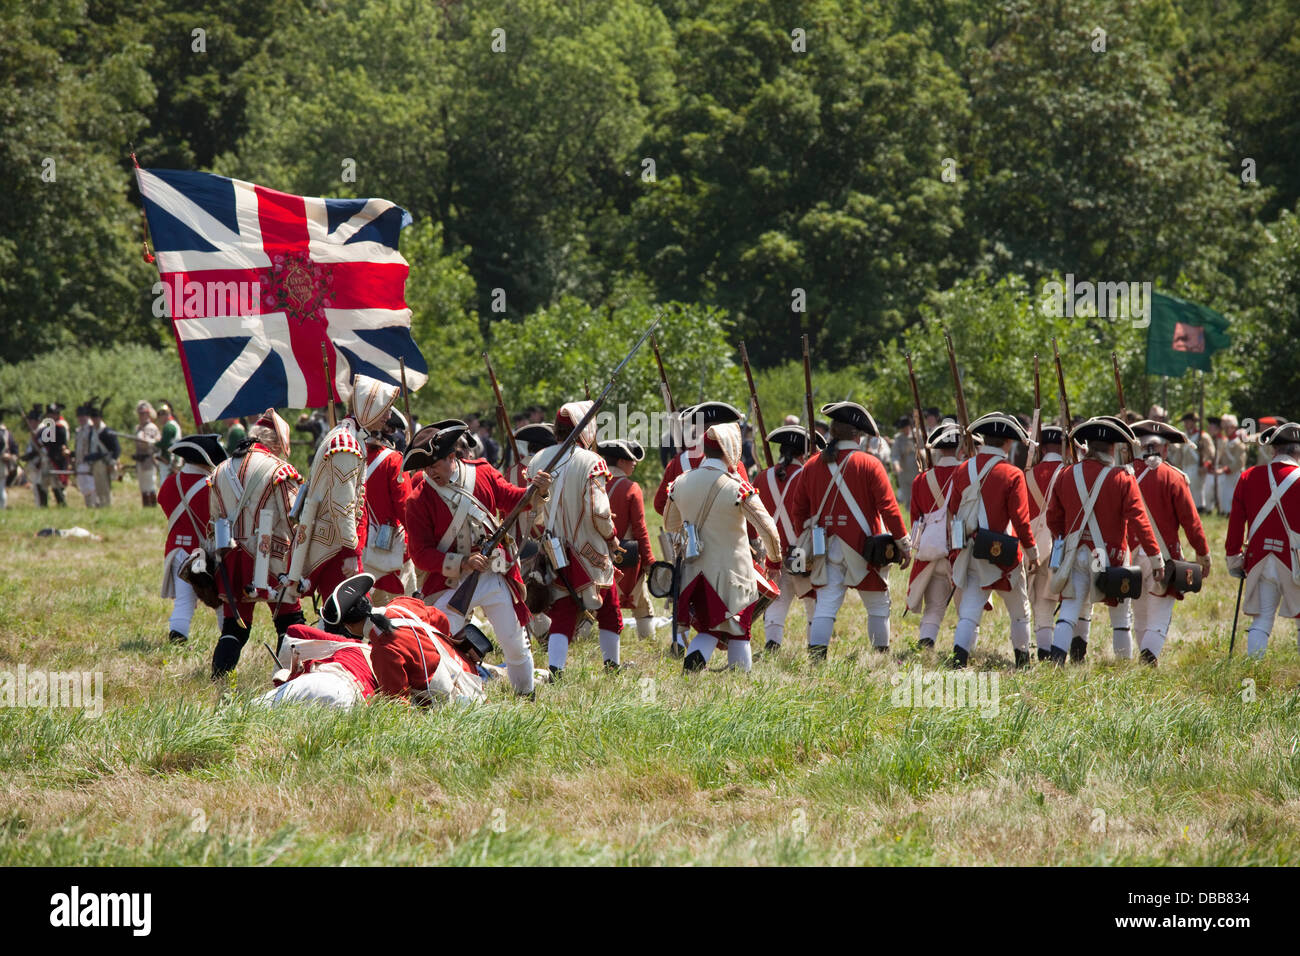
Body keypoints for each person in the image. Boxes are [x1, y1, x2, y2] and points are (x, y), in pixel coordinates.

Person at [405, 421, 549, 696]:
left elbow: (514, 499)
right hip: (451, 585)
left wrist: (538, 489)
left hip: (494, 575)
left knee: (515, 644)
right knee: (436, 645)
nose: (430, 473)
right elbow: (420, 554)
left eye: (434, 464)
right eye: (426, 467)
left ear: (451, 457)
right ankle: (436, 696)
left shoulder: (481, 473)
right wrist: (462, 563)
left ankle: (526, 696)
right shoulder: (418, 499)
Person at [786, 402, 911, 660]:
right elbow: (889, 508)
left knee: (826, 606)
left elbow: (798, 511)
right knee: (877, 604)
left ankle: (816, 660)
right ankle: (880, 658)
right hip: (864, 548)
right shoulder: (870, 463)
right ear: (858, 435)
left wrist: (809, 542)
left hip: (826, 547)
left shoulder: (811, 465)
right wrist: (903, 544)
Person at [664, 421, 781, 672]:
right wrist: (774, 561)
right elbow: (768, 529)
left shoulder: (680, 482)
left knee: (710, 627)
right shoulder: (737, 486)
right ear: (732, 450)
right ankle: (739, 686)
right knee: (739, 630)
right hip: (733, 573)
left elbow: (669, 523)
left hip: (694, 572)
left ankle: (691, 671)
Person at [1045, 417, 1160, 664]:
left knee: (1068, 611)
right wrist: (1156, 558)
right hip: (1111, 557)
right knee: (1120, 618)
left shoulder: (1066, 474)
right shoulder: (1122, 478)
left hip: (1076, 554)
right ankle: (1122, 670)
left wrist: (1065, 540)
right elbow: (1139, 521)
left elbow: (1053, 518)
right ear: (1112, 448)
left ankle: (1055, 663)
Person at [526, 401, 623, 676]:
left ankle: (556, 669)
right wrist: (612, 538)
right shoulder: (592, 462)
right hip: (590, 549)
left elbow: (533, 510)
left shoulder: (538, 459)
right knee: (609, 606)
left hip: (554, 547)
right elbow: (600, 512)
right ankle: (611, 666)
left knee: (563, 610)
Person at [286, 375, 399, 607]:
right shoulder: (347, 445)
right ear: (369, 408)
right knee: (355, 614)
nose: (388, 416)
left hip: (336, 542)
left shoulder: (348, 436)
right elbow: (343, 505)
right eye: (384, 410)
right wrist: (351, 552)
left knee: (341, 618)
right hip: (336, 547)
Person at [208, 408, 305, 679]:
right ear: (276, 444)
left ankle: (219, 680)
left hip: (231, 557)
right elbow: (292, 517)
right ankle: (287, 679)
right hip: (272, 557)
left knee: (234, 627)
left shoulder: (220, 471)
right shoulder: (280, 469)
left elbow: (214, 519)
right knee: (289, 621)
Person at [945, 413, 1037, 668]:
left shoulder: (963, 469)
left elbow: (953, 509)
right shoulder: (1012, 474)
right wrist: (1032, 551)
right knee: (1020, 612)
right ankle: (1022, 663)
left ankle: (958, 660)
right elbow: (1020, 520)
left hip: (972, 549)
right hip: (1004, 553)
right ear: (1008, 443)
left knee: (970, 610)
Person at [1128, 421, 1211, 665]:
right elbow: (1191, 522)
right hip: (1163, 555)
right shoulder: (1174, 477)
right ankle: (1148, 662)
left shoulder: (1123, 473)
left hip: (1131, 553)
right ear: (1164, 450)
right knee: (1159, 612)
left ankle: (1144, 664)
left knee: (1140, 612)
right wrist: (1203, 554)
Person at [1225, 422, 1300, 658]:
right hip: (1294, 560)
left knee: (1261, 620)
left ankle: (1254, 674)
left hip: (1259, 559)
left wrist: (1233, 559)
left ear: (1273, 449)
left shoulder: (1249, 476)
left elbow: (1235, 523)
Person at [754, 425, 821, 653]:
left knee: (776, 600)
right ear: (803, 453)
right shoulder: (809, 477)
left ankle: (772, 644)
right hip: (802, 550)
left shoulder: (763, 477)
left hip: (773, 551)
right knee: (813, 600)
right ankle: (815, 648)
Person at [158, 435, 226, 645]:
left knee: (183, 600)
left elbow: (163, 502)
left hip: (177, 549)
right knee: (222, 600)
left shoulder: (170, 482)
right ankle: (229, 640)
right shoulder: (213, 486)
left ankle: (177, 638)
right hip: (206, 551)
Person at [905, 422, 966, 652]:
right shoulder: (968, 474)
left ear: (938, 448)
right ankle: (963, 651)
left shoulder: (922, 480)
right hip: (960, 550)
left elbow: (915, 520)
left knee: (933, 608)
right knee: (967, 611)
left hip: (930, 551)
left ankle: (925, 646)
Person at [599, 438, 657, 641]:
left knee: (594, 602)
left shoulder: (594, 484)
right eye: (630, 459)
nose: (634, 463)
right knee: (642, 605)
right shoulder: (631, 488)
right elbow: (640, 529)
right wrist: (649, 560)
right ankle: (648, 642)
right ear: (621, 461)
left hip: (595, 554)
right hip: (626, 555)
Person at [1025, 424, 1068, 660]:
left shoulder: (1027, 474)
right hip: (1064, 544)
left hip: (1035, 545)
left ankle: (1043, 651)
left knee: (1040, 603)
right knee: (1073, 604)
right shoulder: (1071, 473)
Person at [364, 408, 415, 604]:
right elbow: (405, 508)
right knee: (405, 606)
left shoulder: (352, 454)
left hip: (356, 543)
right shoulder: (394, 461)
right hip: (389, 546)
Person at [73, 403, 106, 508]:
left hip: (90, 463)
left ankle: (95, 505)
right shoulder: (78, 431)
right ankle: (89, 506)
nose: (81, 418)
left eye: (83, 416)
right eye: (79, 416)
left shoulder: (93, 430)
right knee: (84, 488)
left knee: (92, 487)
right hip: (80, 463)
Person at [1214, 414, 1246, 518]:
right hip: (1227, 473)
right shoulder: (1226, 442)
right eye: (1225, 427)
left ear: (1234, 427)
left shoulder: (1239, 444)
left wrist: (1225, 469)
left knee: (1233, 495)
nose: (1227, 430)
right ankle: (1226, 513)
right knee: (1225, 495)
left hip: (1235, 473)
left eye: (1229, 427)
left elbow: (1239, 462)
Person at [1170, 412, 1203, 510]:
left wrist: (1206, 463)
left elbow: (1209, 452)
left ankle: (1200, 508)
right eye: (1185, 422)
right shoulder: (1184, 436)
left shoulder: (1202, 436)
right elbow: (1180, 452)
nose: (1185, 424)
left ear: (1193, 422)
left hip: (1196, 466)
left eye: (1187, 422)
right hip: (1185, 466)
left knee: (1197, 490)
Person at [134, 400, 162, 508]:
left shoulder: (151, 427)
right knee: (143, 486)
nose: (142, 416)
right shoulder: (138, 428)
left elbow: (153, 444)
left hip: (149, 460)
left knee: (150, 485)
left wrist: (145, 441)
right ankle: (146, 507)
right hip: (140, 460)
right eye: (140, 413)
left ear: (148, 413)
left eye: (144, 413)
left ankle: (152, 506)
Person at [891, 416, 918, 509]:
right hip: (904, 473)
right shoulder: (898, 439)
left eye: (907, 427)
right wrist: (897, 466)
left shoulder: (917, 435)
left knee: (918, 497)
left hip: (916, 471)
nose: (905, 430)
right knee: (907, 499)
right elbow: (895, 455)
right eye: (903, 428)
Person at [156, 402, 182, 483]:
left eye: (161, 415)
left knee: (165, 483)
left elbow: (164, 444)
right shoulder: (173, 424)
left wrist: (153, 443)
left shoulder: (168, 427)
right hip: (174, 459)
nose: (159, 418)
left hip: (170, 460)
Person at [1202, 417, 1222, 512]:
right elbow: (1207, 455)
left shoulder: (1222, 440)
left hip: (1220, 470)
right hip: (1210, 470)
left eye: (1212, 427)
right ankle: (1209, 509)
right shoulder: (1208, 439)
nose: (1210, 429)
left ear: (1218, 429)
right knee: (1208, 491)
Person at [0, 413, 17, 508]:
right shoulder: (6, 432)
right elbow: (15, 449)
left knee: (1, 489)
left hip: (2, 463)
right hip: (3, 464)